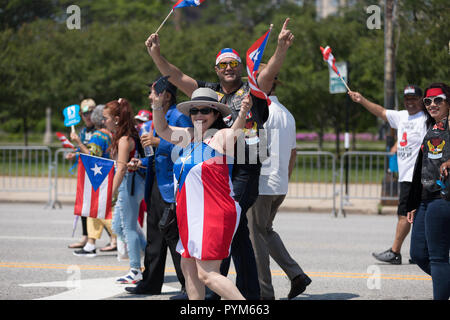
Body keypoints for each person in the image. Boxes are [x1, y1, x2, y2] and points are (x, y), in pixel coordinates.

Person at [145, 18, 294, 300]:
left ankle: (225, 286)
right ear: (216, 69)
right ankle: (219, 286)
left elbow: (269, 71)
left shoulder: (252, 89)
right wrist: (155, 54)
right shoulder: (208, 94)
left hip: (245, 166)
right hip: (213, 166)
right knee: (234, 235)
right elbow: (176, 76)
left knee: (232, 230)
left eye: (233, 64)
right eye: (223, 65)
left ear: (239, 67)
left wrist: (281, 49)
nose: (228, 69)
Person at [151, 86, 252, 300]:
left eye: (205, 110)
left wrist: (242, 113)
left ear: (215, 114)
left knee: (208, 274)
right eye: (194, 111)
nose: (198, 115)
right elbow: (161, 129)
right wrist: (157, 104)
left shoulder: (220, 137)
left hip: (213, 213)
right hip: (191, 214)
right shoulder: (189, 137)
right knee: (188, 267)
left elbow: (235, 132)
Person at [247, 65, 311, 300]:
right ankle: (296, 275)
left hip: (262, 184)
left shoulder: (262, 112)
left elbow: (255, 150)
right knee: (266, 231)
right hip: (279, 183)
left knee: (257, 239)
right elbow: (293, 154)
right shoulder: (286, 113)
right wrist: (284, 180)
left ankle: (264, 294)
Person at [348, 85, 430, 264]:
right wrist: (362, 100)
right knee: (415, 215)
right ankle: (421, 252)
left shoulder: (426, 118)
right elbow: (381, 112)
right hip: (405, 175)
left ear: (421, 100)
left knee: (405, 214)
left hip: (416, 177)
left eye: (414, 99)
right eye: (407, 99)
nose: (410, 102)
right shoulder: (401, 116)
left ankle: (395, 252)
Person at [125, 79, 190, 296]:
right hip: (155, 186)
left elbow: (185, 145)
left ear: (167, 96)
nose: (150, 97)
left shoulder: (178, 116)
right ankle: (150, 282)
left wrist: (156, 141)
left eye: (154, 93)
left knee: (174, 237)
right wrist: (140, 163)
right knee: (154, 237)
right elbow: (158, 157)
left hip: (171, 188)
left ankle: (187, 285)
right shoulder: (158, 118)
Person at [407, 82, 450, 300]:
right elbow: (420, 167)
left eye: (438, 100)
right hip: (424, 199)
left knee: (438, 258)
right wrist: (413, 202)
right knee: (418, 254)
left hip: (443, 198)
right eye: (428, 101)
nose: (432, 104)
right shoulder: (432, 127)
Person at [103, 98, 147, 284]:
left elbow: (121, 168)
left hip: (129, 184)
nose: (103, 121)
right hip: (130, 184)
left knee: (127, 227)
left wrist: (110, 193)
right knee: (120, 227)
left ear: (117, 118)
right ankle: (149, 256)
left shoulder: (124, 139)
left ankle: (135, 269)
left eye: (106, 118)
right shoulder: (127, 135)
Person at [70, 104, 117, 256]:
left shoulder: (98, 135)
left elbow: (92, 154)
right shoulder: (110, 134)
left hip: (99, 176)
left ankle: (120, 239)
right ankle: (91, 244)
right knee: (98, 212)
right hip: (108, 174)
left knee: (100, 211)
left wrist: (77, 141)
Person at [67, 98, 97, 249]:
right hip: (86, 173)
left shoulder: (100, 130)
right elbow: (83, 149)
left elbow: (93, 152)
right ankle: (86, 237)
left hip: (98, 173)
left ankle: (116, 240)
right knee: (85, 207)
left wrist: (78, 143)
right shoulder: (83, 131)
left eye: (91, 112)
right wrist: (75, 153)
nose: (88, 116)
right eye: (85, 113)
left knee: (102, 207)